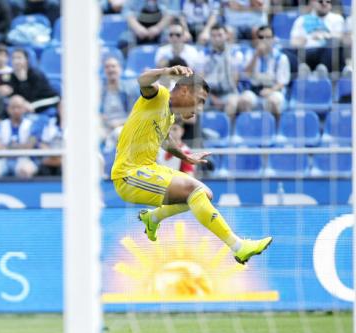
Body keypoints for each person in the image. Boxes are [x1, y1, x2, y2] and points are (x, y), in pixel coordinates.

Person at [110, 65, 272, 265]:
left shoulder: (168, 115)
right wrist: (166, 71)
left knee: (204, 194)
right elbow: (143, 80)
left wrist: (185, 157)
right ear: (185, 90)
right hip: (129, 174)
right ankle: (238, 246)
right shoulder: (158, 96)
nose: (200, 108)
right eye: (200, 101)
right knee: (192, 189)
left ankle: (153, 218)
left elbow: (164, 139)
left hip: (149, 168)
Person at [238, 25, 290, 120]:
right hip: (255, 90)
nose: (264, 40)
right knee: (244, 100)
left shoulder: (281, 57)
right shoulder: (251, 54)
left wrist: (270, 90)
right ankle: (249, 129)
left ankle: (276, 131)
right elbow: (245, 75)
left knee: (273, 101)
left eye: (268, 37)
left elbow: (282, 82)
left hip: (274, 90)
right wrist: (256, 56)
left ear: (273, 39)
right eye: (261, 37)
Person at [0, 94, 38, 179]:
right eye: (13, 107)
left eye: (19, 107)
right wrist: (18, 148)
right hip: (3, 160)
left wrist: (7, 148)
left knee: (25, 170)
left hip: (24, 159)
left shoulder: (32, 125)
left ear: (24, 108)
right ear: (8, 109)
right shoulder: (0, 125)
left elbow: (29, 146)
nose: (16, 110)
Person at [288, 0, 345, 74]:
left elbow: (340, 37)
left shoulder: (337, 19)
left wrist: (324, 36)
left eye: (328, 2)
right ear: (313, 2)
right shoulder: (302, 20)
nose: (324, 4)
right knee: (287, 51)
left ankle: (322, 70)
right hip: (307, 52)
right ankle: (306, 71)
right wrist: (304, 40)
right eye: (321, 1)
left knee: (333, 44)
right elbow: (293, 42)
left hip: (327, 52)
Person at [201, 24, 243, 119]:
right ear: (210, 37)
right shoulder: (203, 54)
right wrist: (212, 97)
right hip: (209, 94)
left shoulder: (235, 53)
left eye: (220, 35)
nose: (217, 38)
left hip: (229, 92)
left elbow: (234, 82)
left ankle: (227, 132)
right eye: (213, 36)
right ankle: (202, 132)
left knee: (232, 102)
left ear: (226, 36)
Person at [8, 47, 58, 112]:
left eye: (19, 58)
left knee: (26, 107)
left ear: (26, 60)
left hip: (48, 98)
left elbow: (31, 96)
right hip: (31, 100)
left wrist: (23, 81)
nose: (16, 61)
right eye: (13, 58)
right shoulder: (12, 75)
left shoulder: (36, 74)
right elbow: (14, 94)